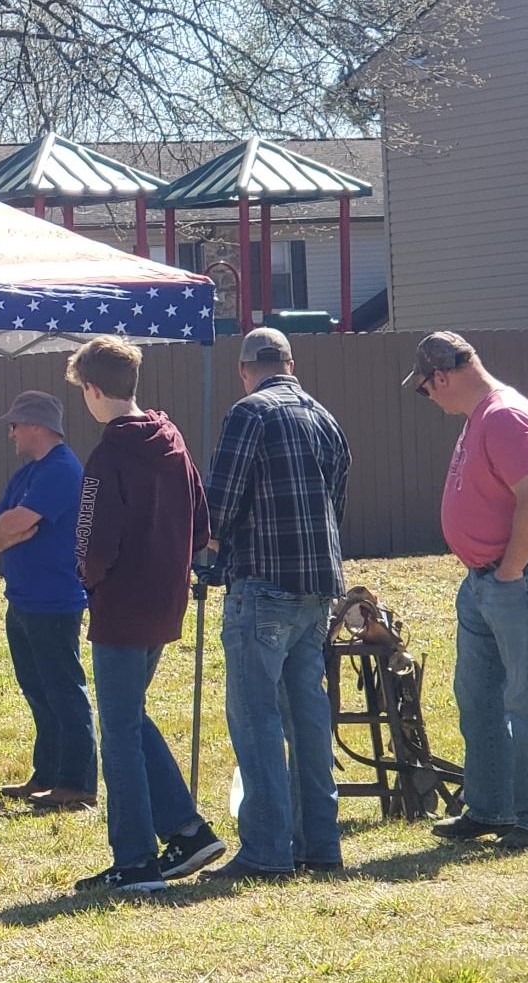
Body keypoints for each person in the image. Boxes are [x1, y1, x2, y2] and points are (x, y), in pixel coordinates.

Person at [64, 336, 227, 894]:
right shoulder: (171, 439)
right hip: (166, 599)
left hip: (122, 607)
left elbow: (92, 538)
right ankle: (186, 829)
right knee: (129, 715)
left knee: (119, 732)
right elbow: (203, 519)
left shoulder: (107, 455)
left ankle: (135, 860)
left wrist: (87, 579)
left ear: (91, 388)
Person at [406, 331, 528, 850]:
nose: (428, 398)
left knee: (527, 698)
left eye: (426, 388)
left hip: (520, 575)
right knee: (477, 696)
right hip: (488, 578)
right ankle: (491, 806)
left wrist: (509, 572)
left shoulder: (503, 417)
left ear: (443, 376)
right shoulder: (484, 416)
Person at [201, 328, 351, 880]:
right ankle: (319, 843)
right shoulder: (325, 417)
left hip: (262, 587)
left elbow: (218, 506)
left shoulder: (250, 414)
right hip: (316, 590)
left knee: (256, 717)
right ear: (291, 362)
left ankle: (266, 849)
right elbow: (337, 504)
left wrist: (202, 558)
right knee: (307, 717)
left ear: (244, 370)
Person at [0, 389, 96, 810]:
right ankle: (48, 773)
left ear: (35, 426)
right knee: (37, 689)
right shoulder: (28, 473)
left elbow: (19, 522)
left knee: (63, 689)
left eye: (14, 424)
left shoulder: (61, 470)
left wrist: (8, 527)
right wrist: (6, 529)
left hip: (53, 599)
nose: (10, 433)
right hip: (25, 599)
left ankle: (77, 781)